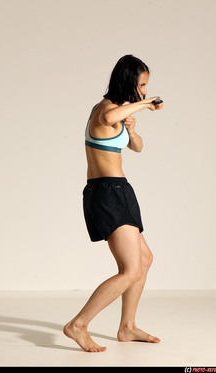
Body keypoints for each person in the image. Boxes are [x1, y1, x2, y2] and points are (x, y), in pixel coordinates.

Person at [63, 55, 164, 352]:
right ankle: (78, 325)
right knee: (130, 270)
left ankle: (127, 327)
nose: (145, 91)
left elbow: (138, 148)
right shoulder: (105, 109)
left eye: (146, 87)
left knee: (144, 260)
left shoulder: (120, 114)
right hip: (107, 192)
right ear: (128, 82)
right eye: (142, 85)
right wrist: (145, 105)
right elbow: (108, 119)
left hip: (119, 190)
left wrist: (131, 130)